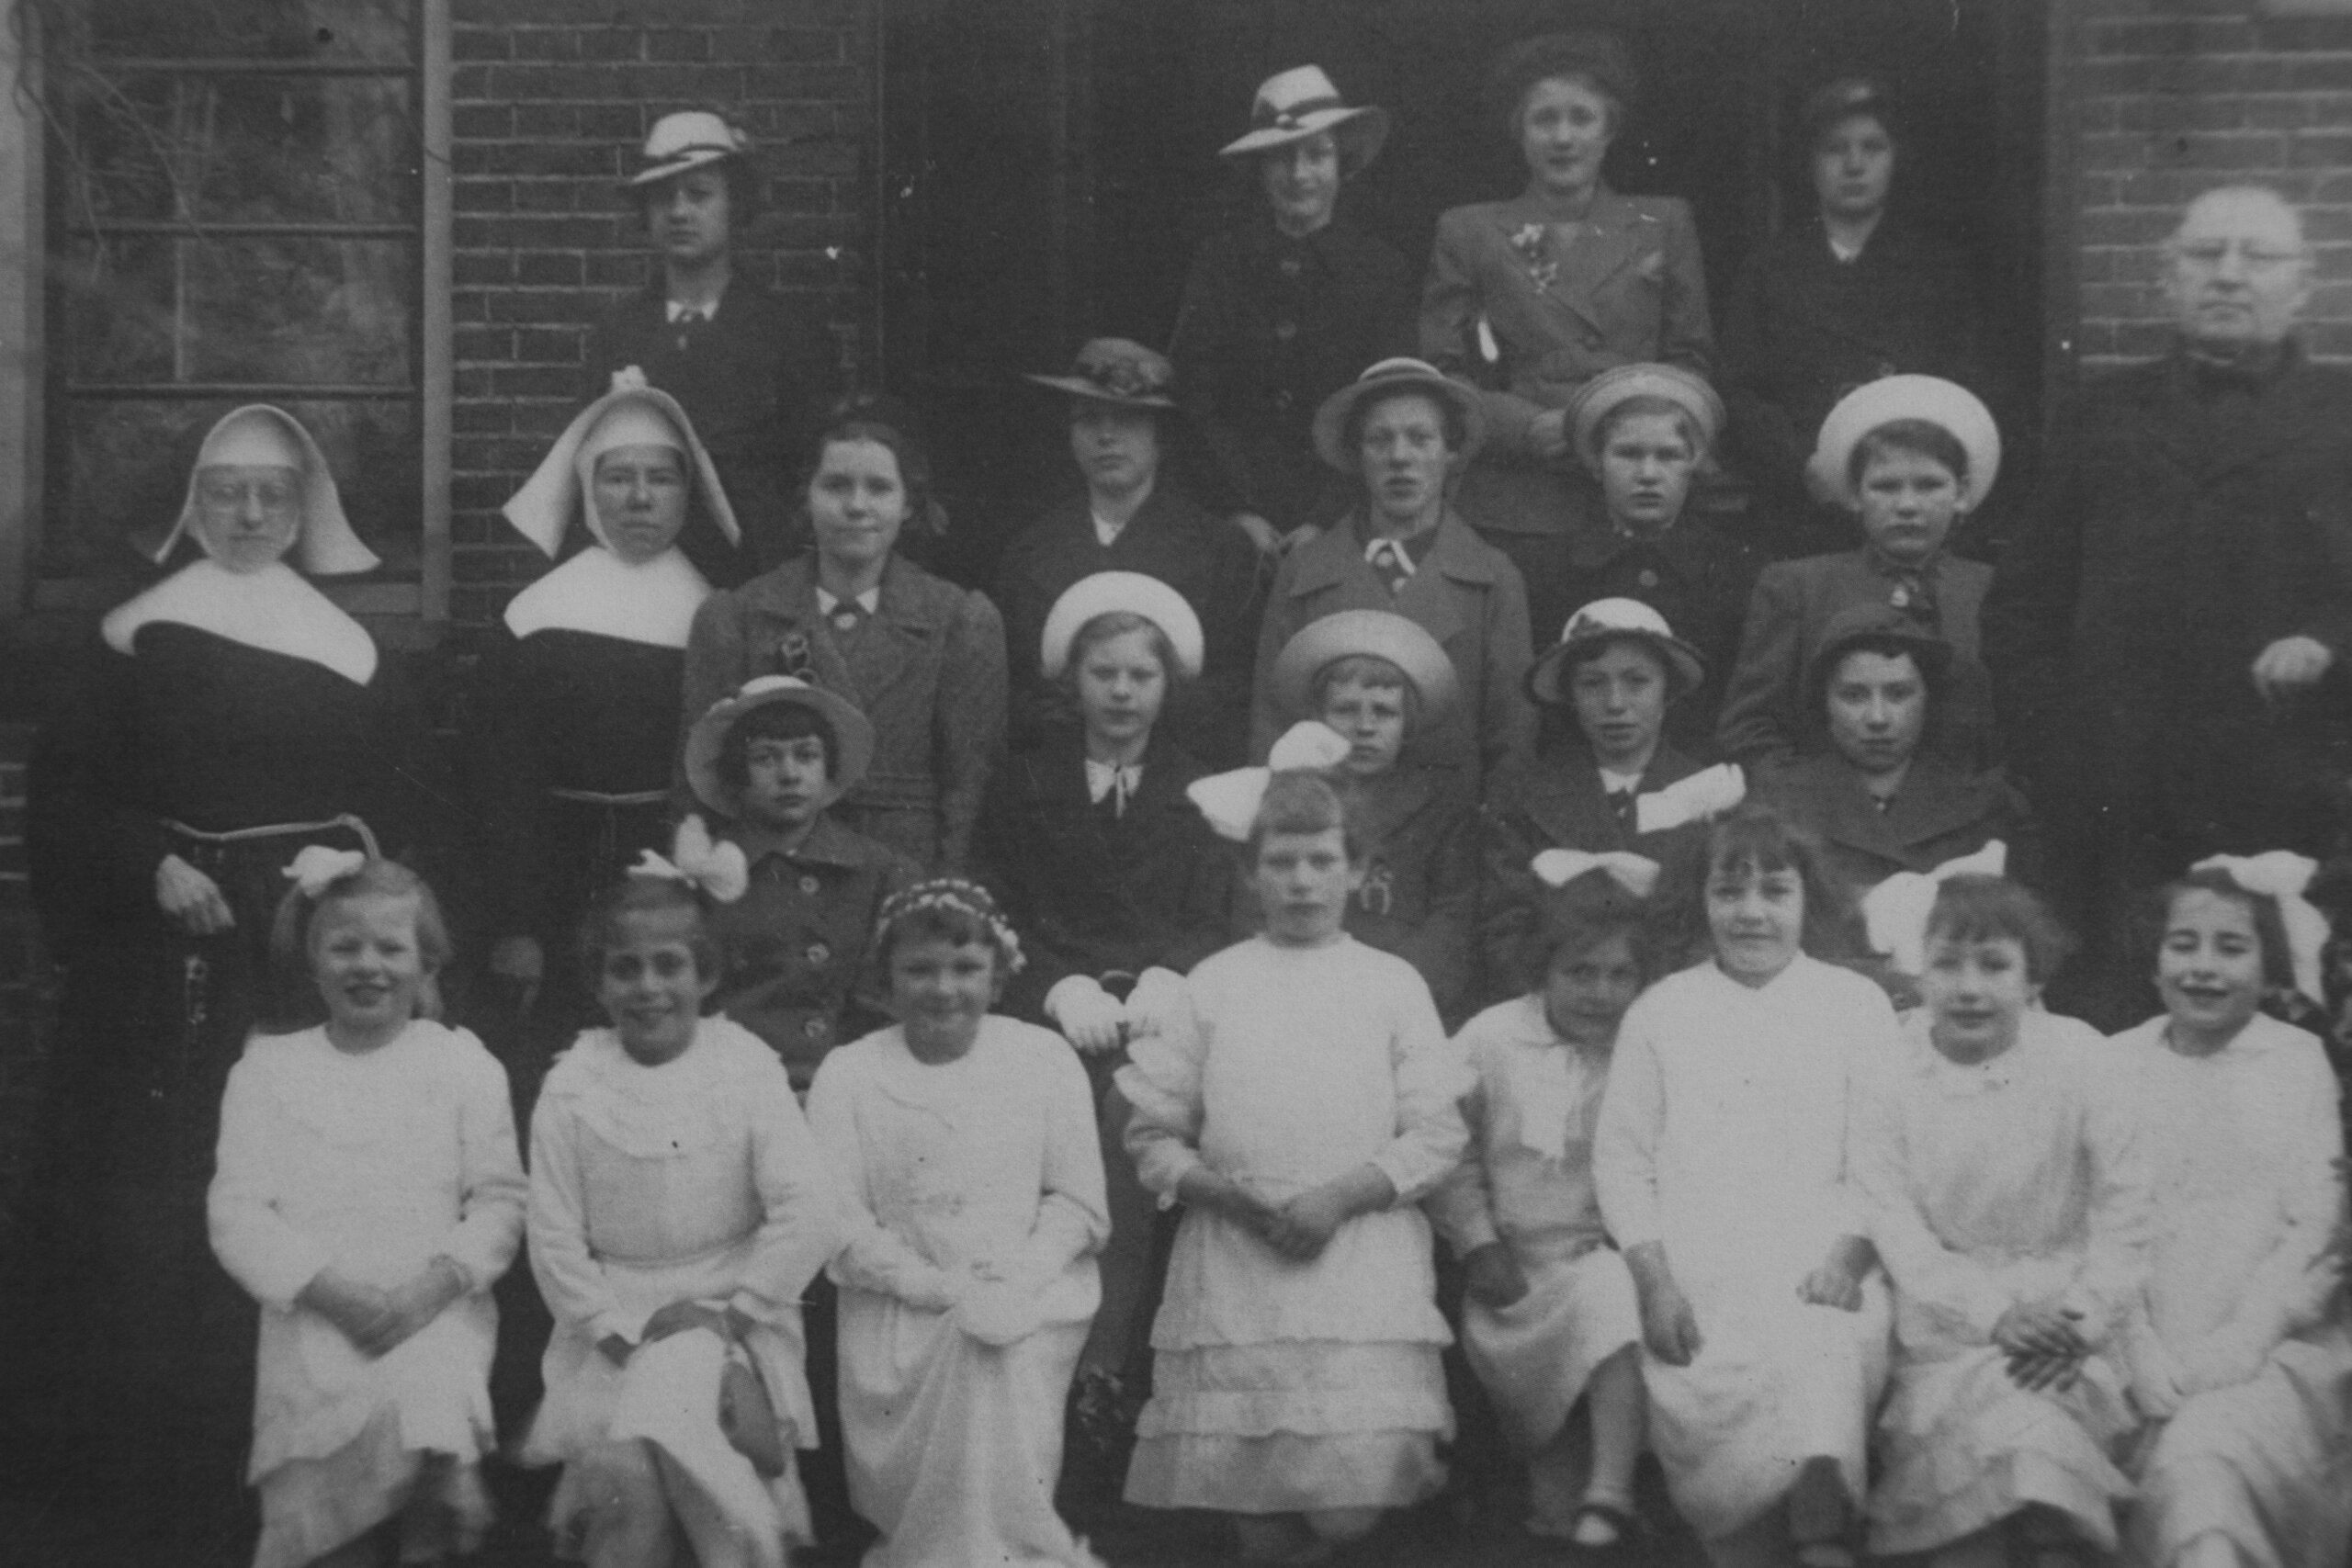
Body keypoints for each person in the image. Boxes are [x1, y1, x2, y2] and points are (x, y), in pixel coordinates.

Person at [23, 403, 440, 1535]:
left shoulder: (351, 650)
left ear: (304, 512)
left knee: (290, 1182)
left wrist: (340, 874)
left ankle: (295, 1466)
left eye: (272, 496)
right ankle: (141, 1479)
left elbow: (397, 809)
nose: (250, 515)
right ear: (192, 507)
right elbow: (65, 800)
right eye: (226, 494)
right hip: (153, 956)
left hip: (291, 956)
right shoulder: (133, 637)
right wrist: (146, 863)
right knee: (150, 1191)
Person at [1983, 184, 2352, 1030]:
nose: (2228, 274)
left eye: (2257, 256)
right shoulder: (2102, 413)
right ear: (2166, 279)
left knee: (2277, 1040)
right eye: (2205, 254)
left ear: (2303, 285)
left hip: (2285, 795)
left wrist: (2330, 641)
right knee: (2110, 1031)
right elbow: (2024, 603)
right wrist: (2058, 746)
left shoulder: (2344, 418)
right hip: (2113, 806)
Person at [1119, 770, 1470, 1562]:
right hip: (1239, 1261)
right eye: (1281, 862)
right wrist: (1226, 1196)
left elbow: (1437, 1132)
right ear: (1250, 873)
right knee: (1259, 1510)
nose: (1303, 881)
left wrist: (1340, 1198)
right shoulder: (1214, 982)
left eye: (1322, 860)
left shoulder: (1391, 983)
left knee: (1350, 1507)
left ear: (1358, 868)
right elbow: (1152, 1134)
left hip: (1357, 1258)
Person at [1594, 805, 1896, 1568]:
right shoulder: (1662, 1010)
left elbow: (1885, 1156)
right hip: (1699, 1264)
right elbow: (1623, 1161)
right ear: (1701, 899)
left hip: (1822, 1254)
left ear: (1807, 900)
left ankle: (1822, 1531)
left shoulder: (1854, 1004)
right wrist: (1656, 1283)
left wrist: (1847, 1259)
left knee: (1821, 1339)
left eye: (1775, 890)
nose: (1751, 912)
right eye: (1729, 891)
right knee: (1735, 1522)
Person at [521, 864, 842, 1568]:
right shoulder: (572, 1085)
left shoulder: (745, 1065)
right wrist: (612, 1335)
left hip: (730, 1311)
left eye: (669, 965)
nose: (648, 986)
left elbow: (809, 1207)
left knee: (696, 1449)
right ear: (598, 981)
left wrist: (736, 1316)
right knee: (630, 1479)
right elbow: (552, 1236)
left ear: (706, 973)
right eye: (625, 968)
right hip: (614, 1321)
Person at [209, 853, 526, 1568]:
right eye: (344, 946)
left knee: (422, 1442)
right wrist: (328, 1291)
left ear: (426, 962)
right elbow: (237, 1212)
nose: (368, 966)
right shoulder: (268, 1068)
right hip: (315, 1315)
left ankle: (429, 1526)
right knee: (332, 1522)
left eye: (391, 947)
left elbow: (500, 1201)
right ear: (312, 959)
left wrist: (433, 1287)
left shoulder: (463, 1065)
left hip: (432, 1310)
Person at [1849, 875, 2151, 1568]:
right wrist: (1992, 1315)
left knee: (2050, 1493)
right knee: (1971, 1512)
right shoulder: (1888, 1069)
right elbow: (1894, 1223)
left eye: (1994, 965)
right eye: (1947, 964)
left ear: (2033, 977)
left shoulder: (2082, 1056)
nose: (1968, 989)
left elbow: (2128, 1209)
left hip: (2065, 1321)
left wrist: (2081, 1317)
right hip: (1948, 1325)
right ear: (1918, 972)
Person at [807, 879, 1110, 1568]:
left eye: (966, 968)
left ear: (998, 978)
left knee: (990, 1339)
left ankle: (995, 1550)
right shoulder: (849, 1072)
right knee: (973, 1333)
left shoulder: (1044, 1058)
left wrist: (1015, 1279)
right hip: (898, 1307)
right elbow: (838, 1221)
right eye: (919, 969)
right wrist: (934, 1287)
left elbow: (1079, 1205)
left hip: (1029, 1295)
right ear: (885, 980)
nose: (943, 988)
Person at [468, 376, 743, 1050]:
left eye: (661, 478)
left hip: (677, 864)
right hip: (557, 873)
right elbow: (497, 784)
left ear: (688, 492)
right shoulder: (535, 616)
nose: (640, 498)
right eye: (619, 478)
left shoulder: (722, 616)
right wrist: (516, 923)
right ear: (588, 489)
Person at [2108, 862, 2352, 1568]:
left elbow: (2314, 1228)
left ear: (2268, 965)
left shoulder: (2295, 1060)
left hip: (2267, 1351)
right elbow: (2099, 1223)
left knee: (2204, 1468)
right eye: (2183, 944)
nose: (2204, 967)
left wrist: (2249, 1337)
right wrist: (2136, 1346)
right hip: (2135, 1350)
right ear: (2154, 959)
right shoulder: (2117, 1062)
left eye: (2232, 947)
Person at [1420, 29, 1713, 618]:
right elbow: (1442, 374)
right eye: (1544, 119)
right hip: (1520, 496)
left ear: (1610, 129)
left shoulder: (1662, 223)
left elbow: (1691, 359)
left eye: (1581, 118)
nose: (1562, 137)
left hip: (1633, 489)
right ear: (1519, 131)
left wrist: (1612, 422)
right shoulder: (1470, 231)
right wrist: (1526, 428)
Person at [1430, 859, 1657, 1552]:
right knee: (1553, 1512)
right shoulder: (1493, 1038)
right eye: (1580, 972)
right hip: (1512, 1269)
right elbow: (1447, 1148)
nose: (1601, 993)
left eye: (1620, 975)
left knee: (1608, 1295)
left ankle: (1613, 1491)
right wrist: (1478, 1242)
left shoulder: (1645, 1044)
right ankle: (1574, 1489)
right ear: (1543, 968)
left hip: (1607, 1258)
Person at [681, 395, 1007, 873]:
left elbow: (971, 787)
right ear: (806, 498)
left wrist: (947, 892)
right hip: (774, 867)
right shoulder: (738, 617)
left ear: (908, 505)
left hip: (902, 868)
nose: (857, 506)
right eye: (836, 486)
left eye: (879, 488)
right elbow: (699, 785)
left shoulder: (958, 622)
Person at [1717, 78, 1992, 555]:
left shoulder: (1937, 269)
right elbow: (1738, 390)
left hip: (1907, 500)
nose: (1854, 165)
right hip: (1801, 506)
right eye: (1834, 149)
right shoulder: (1769, 269)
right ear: (1809, 163)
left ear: (1897, 158)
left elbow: (1968, 383)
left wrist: (1916, 466)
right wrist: (1804, 464)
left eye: (1873, 147)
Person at [1252, 356, 1533, 795]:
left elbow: (1512, 734)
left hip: (1451, 823)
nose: (1400, 457)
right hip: (1330, 816)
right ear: (1357, 455)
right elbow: (1273, 721)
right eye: (1379, 440)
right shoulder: (1305, 570)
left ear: (1451, 453)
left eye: (1421, 438)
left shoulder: (1493, 577)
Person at [1170, 66, 1417, 552]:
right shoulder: (1221, 263)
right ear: (1260, 169)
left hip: (1349, 518)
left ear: (1343, 163)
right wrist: (1236, 511)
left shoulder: (1381, 271)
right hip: (1232, 517)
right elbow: (1194, 397)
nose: (1300, 174)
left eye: (1317, 155)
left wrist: (1329, 520)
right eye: (1282, 157)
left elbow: (1388, 402)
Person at [582, 109, 834, 577]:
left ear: (735, 205)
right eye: (663, 198)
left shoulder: (789, 333)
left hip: (753, 575)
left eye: (699, 194)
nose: (679, 212)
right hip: (641, 575)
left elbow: (811, 481)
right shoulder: (618, 333)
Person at [997, 339, 1264, 767]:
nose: (1106, 436)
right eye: (1089, 420)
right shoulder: (1030, 552)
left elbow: (1235, 689)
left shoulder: (1221, 550)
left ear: (1161, 438)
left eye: (1127, 420)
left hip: (1179, 772)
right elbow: (1016, 688)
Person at [1718, 375, 2003, 776]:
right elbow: (1750, 727)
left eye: (1929, 485)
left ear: (1962, 492)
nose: (1907, 505)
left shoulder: (1992, 590)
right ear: (1855, 494)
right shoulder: (1799, 587)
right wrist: (1816, 799)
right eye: (1886, 487)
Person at [1484, 598, 1746, 986]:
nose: (1615, 703)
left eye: (1637, 682)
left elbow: (1717, 925)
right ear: (1570, 696)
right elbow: (1505, 926)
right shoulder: (1526, 795)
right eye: (1592, 684)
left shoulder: (1712, 793)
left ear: (1668, 691)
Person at [677, 676, 916, 1089]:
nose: (789, 774)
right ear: (737, 773)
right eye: (765, 759)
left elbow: (892, 1000)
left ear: (828, 767)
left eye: (807, 755)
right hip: (737, 1088)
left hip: (853, 1086)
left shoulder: (880, 873)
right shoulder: (706, 876)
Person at [1261, 608, 1479, 1021]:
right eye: (1346, 710)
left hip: (1399, 995)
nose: (1364, 727)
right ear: (1317, 718)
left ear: (1407, 723)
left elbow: (1452, 920)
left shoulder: (1442, 807)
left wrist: (1389, 995)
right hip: (1294, 988)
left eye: (1384, 712)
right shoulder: (1285, 797)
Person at [1757, 605, 2035, 904]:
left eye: (1899, 694)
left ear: (1928, 698)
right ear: (1825, 703)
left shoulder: (1986, 808)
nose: (1878, 718)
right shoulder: (1780, 804)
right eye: (1854, 696)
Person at [1551, 364, 1761, 743]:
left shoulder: (1737, 571)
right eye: (1628, 454)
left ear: (1693, 464)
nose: (1648, 474)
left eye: (1668, 455)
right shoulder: (1551, 570)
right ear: (1597, 463)